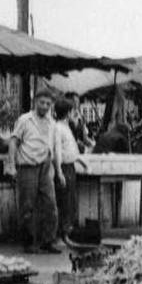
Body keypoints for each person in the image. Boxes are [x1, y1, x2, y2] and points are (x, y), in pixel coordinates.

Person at [5, 89, 61, 254]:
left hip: (45, 166)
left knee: (50, 204)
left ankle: (47, 241)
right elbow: (13, 142)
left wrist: (55, 167)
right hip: (27, 166)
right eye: (42, 103)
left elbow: (51, 144)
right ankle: (28, 242)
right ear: (35, 101)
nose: (44, 106)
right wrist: (11, 165)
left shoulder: (51, 122)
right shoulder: (24, 120)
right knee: (27, 205)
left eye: (48, 104)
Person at [52, 98, 87, 246]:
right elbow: (57, 151)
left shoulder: (66, 127)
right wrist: (59, 172)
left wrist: (80, 161)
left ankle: (66, 233)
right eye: (74, 111)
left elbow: (71, 149)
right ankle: (61, 235)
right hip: (64, 168)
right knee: (64, 202)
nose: (77, 114)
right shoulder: (58, 128)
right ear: (68, 113)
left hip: (70, 166)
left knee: (70, 201)